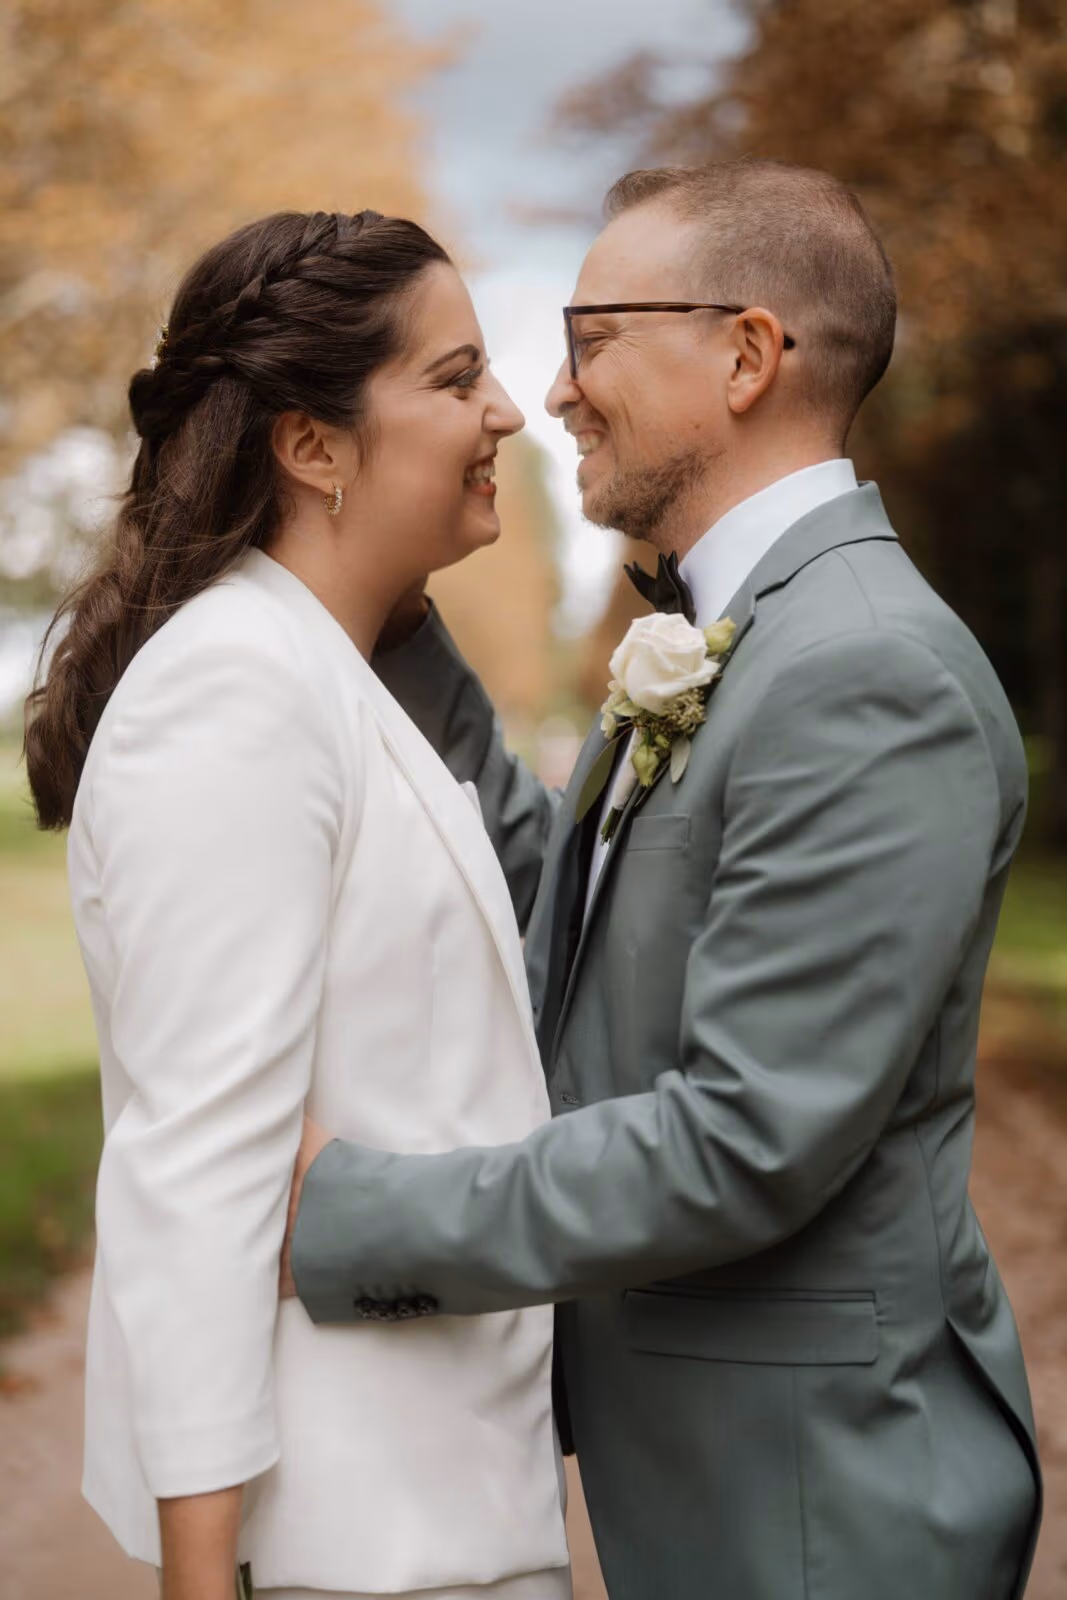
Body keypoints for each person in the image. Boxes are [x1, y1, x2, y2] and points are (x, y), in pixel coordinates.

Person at [285, 162, 1043, 1600]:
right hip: (735, 1480)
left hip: (827, 1506)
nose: (551, 392)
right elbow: (568, 913)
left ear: (748, 354)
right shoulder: (751, 632)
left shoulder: (859, 671)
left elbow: (746, 1138)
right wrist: (381, 588)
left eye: (588, 338)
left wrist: (342, 1216)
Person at [24, 209, 572, 1600]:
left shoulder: (333, 681)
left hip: (444, 1508)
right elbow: (200, 1177)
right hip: (351, 1537)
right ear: (312, 444)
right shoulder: (237, 691)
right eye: (455, 379)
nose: (505, 406)